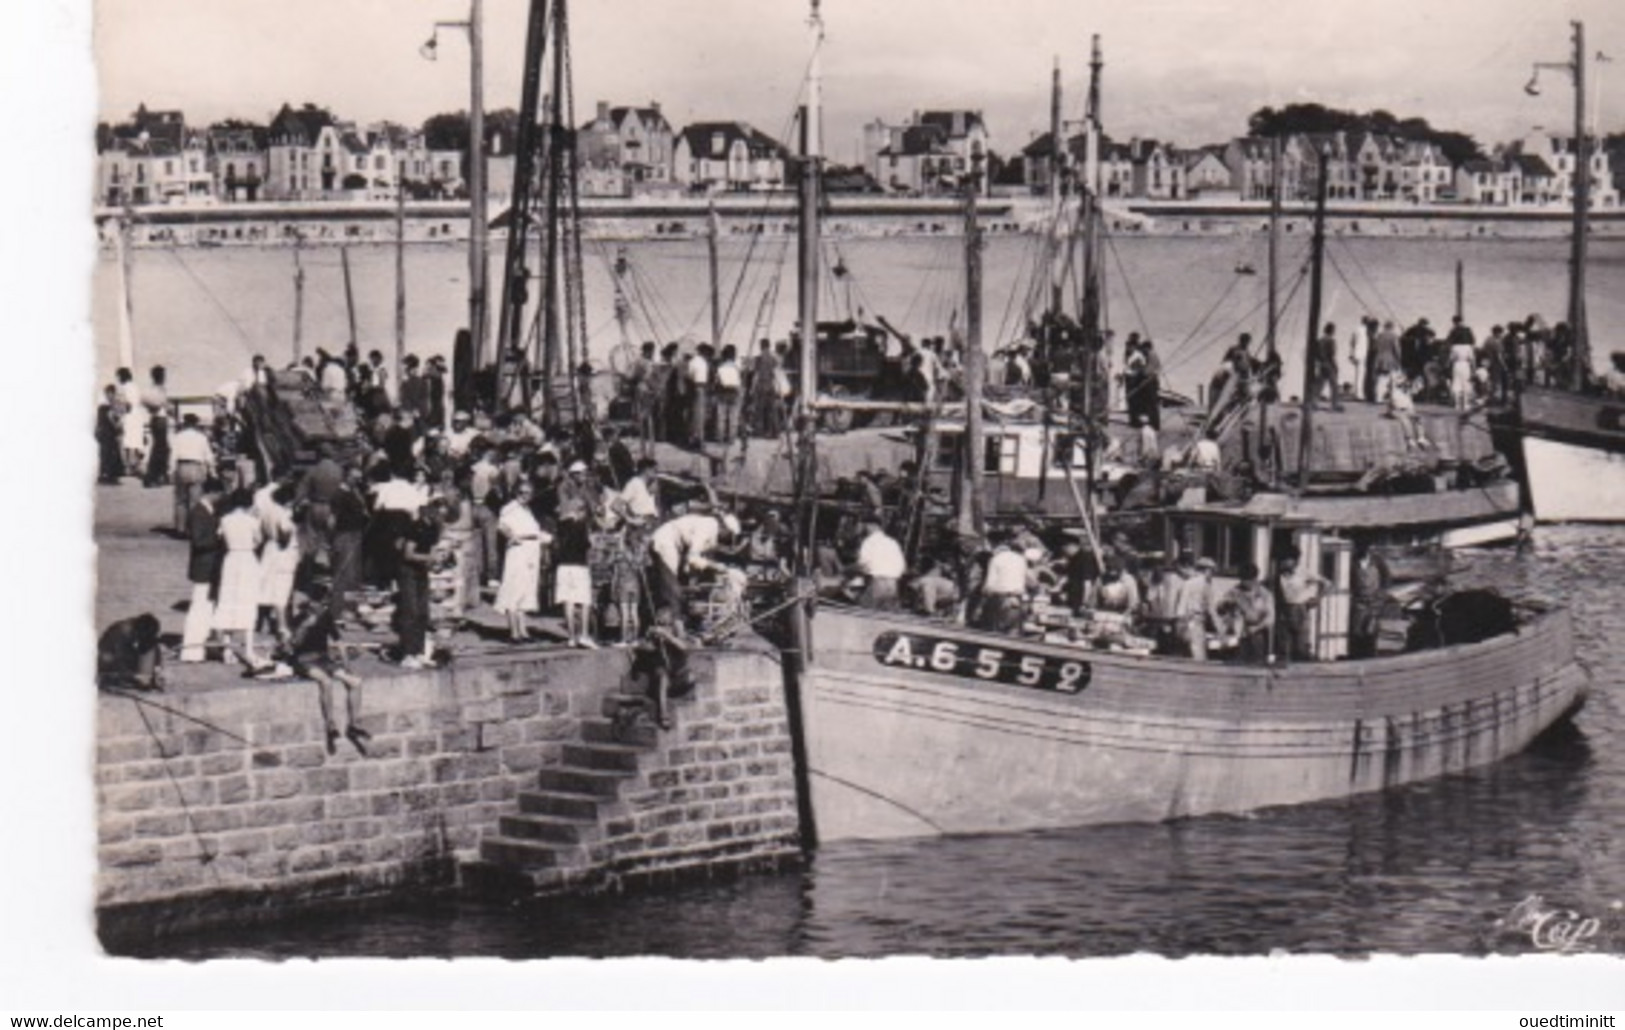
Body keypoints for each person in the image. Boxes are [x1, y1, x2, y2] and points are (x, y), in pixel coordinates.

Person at [284, 599, 369, 756]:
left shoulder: (326, 617)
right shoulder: (300, 618)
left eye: (322, 605)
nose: (320, 608)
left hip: (323, 658)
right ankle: (331, 724)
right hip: (303, 659)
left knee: (356, 682)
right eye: (317, 605)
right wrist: (304, 626)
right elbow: (291, 645)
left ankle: (354, 724)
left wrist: (347, 666)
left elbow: (339, 642)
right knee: (326, 681)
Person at [214, 489, 271, 672]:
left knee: (228, 601)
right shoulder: (252, 521)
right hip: (247, 560)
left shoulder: (225, 519)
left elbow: (220, 538)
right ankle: (248, 648)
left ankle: (227, 649)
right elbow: (258, 541)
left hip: (231, 560)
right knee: (247, 602)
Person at [647, 510, 739, 622]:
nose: (726, 539)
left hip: (676, 546)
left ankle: (678, 618)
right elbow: (692, 558)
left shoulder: (711, 532)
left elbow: (692, 560)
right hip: (665, 541)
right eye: (728, 535)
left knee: (680, 587)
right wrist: (714, 566)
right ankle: (671, 622)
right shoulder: (707, 528)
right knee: (672, 588)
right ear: (724, 528)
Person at [495, 480, 549, 642]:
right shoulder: (510, 507)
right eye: (522, 492)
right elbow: (502, 525)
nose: (525, 496)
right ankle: (514, 631)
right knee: (514, 587)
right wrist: (512, 537)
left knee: (527, 588)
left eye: (528, 493)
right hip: (519, 550)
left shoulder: (528, 510)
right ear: (516, 492)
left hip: (531, 550)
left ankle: (523, 630)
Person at [395, 503, 441, 668]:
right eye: (437, 510)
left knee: (423, 612)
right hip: (408, 572)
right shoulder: (416, 527)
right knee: (411, 611)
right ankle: (408, 654)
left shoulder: (434, 528)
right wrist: (429, 558)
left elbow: (433, 551)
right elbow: (408, 553)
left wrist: (436, 562)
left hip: (422, 572)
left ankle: (420, 651)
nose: (440, 514)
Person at [554, 496, 597, 649]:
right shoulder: (581, 525)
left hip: (563, 566)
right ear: (580, 511)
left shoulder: (561, 524)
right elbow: (584, 545)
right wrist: (591, 541)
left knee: (568, 601)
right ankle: (584, 635)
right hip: (579, 566)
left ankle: (571, 637)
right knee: (584, 601)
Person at [1275, 550, 1332, 662]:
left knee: (1300, 643)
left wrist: (1317, 598)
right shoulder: (1279, 575)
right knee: (1284, 644)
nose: (1282, 563)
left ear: (1293, 561)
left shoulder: (1303, 572)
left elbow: (1327, 583)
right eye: (1281, 560)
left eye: (1286, 560)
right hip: (1285, 609)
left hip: (1300, 609)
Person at [168, 412, 215, 536]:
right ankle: (194, 528)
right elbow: (208, 455)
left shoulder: (178, 437)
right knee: (195, 500)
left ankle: (180, 529)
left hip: (182, 466)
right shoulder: (202, 437)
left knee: (180, 500)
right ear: (195, 424)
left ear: (184, 423)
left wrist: (171, 470)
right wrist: (211, 469)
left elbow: (173, 455)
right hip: (197, 466)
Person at [1217, 562, 1274, 662]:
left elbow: (1270, 618)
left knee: (1256, 663)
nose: (1245, 583)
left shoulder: (1265, 594)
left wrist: (1256, 628)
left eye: (1249, 579)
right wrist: (1226, 605)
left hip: (1257, 635)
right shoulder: (1234, 592)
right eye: (1243, 579)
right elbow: (1220, 610)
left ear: (1255, 578)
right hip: (1238, 636)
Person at [976, 538, 1031, 633]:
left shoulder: (996, 559)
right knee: (1013, 632)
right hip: (1017, 599)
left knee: (994, 633)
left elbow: (989, 586)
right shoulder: (1021, 560)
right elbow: (1028, 580)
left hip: (999, 599)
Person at [97, 614, 164, 692]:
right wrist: (133, 676)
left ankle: (139, 678)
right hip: (109, 661)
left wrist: (156, 669)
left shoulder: (142, 630)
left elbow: (153, 646)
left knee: (147, 650)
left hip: (123, 659)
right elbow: (120, 658)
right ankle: (112, 678)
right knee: (109, 660)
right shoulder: (122, 632)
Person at [854, 518, 906, 611]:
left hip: (878, 583)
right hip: (892, 585)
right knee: (887, 617)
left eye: (864, 525)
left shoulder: (869, 542)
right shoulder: (892, 542)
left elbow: (863, 564)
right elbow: (902, 566)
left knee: (863, 613)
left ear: (871, 526)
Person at [1350, 545, 1391, 658]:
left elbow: (1386, 578)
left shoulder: (1377, 561)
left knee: (1371, 629)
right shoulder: (1352, 562)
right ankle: (1357, 655)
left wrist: (1381, 595)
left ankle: (1370, 654)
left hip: (1374, 600)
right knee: (1357, 629)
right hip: (1359, 600)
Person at [1174, 555, 1217, 659]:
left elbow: (1180, 610)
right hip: (1195, 623)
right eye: (1212, 571)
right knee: (1198, 656)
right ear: (1207, 570)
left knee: (1185, 656)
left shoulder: (1187, 584)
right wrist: (1219, 629)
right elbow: (1211, 609)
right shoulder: (1204, 585)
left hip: (1185, 624)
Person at [142, 366, 172, 488]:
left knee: (162, 448)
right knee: (159, 448)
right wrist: (160, 405)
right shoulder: (155, 390)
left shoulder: (159, 389)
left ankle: (159, 475)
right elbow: (149, 402)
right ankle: (152, 476)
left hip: (161, 419)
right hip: (159, 419)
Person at [96, 385, 124, 484]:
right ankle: (106, 474)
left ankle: (110, 475)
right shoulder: (104, 407)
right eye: (109, 393)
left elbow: (119, 418)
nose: (110, 396)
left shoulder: (112, 406)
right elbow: (110, 419)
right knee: (106, 454)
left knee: (111, 454)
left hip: (111, 433)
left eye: (112, 393)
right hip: (106, 433)